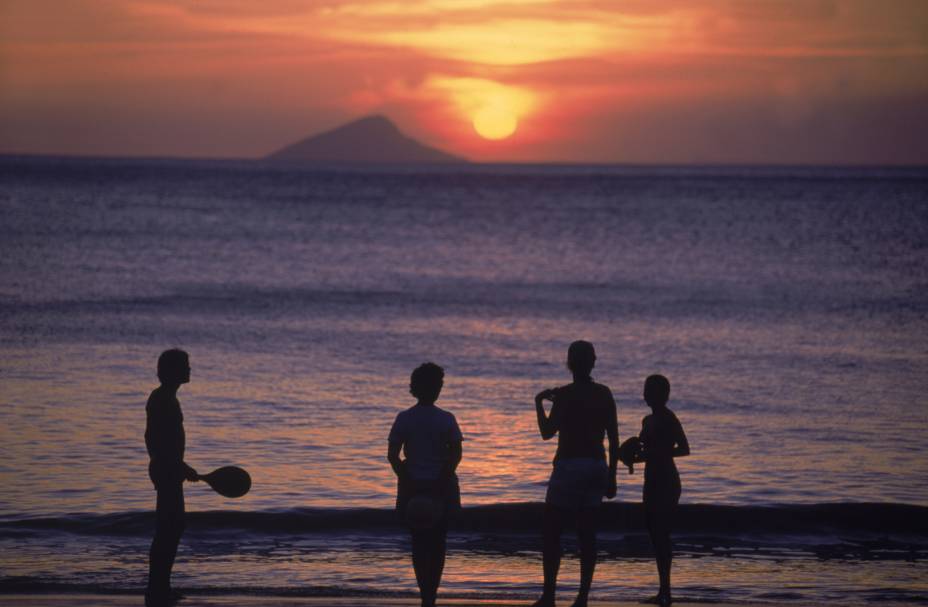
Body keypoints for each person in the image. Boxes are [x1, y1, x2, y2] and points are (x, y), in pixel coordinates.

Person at [533, 341, 619, 607]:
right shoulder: (604, 393)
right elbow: (614, 439)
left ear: (569, 363)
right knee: (587, 535)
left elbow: (547, 433)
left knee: (552, 533)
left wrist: (539, 402)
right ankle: (582, 598)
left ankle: (549, 596)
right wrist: (613, 476)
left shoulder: (565, 395)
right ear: (593, 362)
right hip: (596, 467)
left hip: (570, 467)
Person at [388, 362, 463, 607]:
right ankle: (431, 595)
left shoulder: (404, 418)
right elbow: (456, 455)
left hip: (413, 488)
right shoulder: (446, 419)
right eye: (439, 384)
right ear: (435, 388)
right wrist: (441, 479)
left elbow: (392, 455)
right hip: (441, 487)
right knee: (438, 543)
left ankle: (425, 597)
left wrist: (407, 478)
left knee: (418, 543)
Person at [145, 349, 199, 606]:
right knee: (169, 528)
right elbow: (158, 440)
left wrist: (178, 466)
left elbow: (155, 439)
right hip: (167, 470)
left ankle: (160, 587)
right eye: (185, 366)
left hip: (167, 468)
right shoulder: (162, 399)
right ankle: (157, 589)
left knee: (171, 528)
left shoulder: (164, 397)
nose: (189, 370)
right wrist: (177, 466)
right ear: (173, 370)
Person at [634, 374, 690, 606]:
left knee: (662, 534)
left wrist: (657, 454)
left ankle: (666, 591)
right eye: (645, 390)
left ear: (662, 395)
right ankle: (663, 591)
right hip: (651, 479)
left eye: (650, 390)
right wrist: (628, 455)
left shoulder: (669, 418)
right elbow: (641, 453)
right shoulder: (647, 421)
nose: (645, 394)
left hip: (667, 480)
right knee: (655, 535)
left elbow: (685, 449)